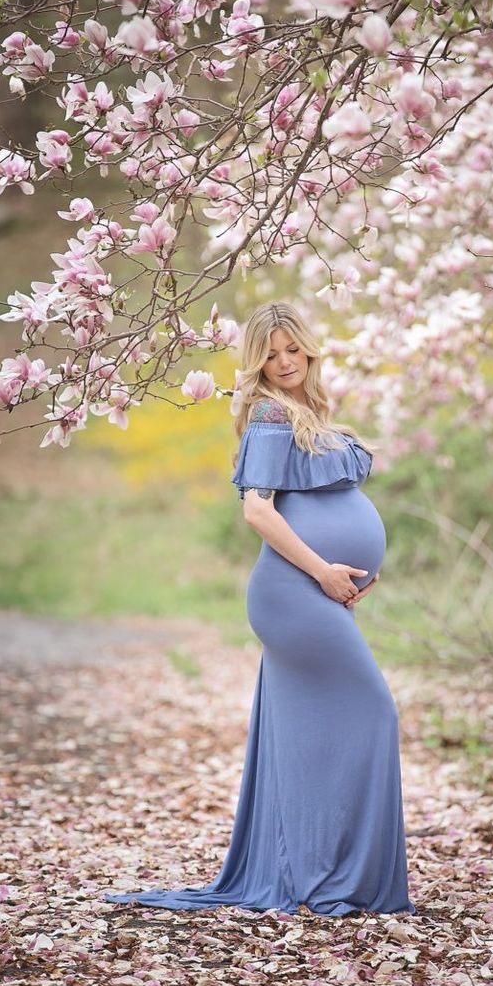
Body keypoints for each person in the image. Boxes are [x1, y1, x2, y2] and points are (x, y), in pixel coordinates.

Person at [103, 301, 415, 917]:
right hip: (293, 593)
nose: (284, 363)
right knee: (374, 712)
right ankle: (336, 875)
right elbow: (257, 510)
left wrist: (351, 575)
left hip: (317, 594)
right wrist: (325, 570)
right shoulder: (271, 413)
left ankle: (313, 870)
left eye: (291, 350)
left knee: (307, 735)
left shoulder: (308, 411)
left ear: (308, 349)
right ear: (258, 362)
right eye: (270, 355)